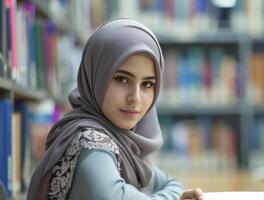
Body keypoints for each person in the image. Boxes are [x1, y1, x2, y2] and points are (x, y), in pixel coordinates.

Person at [27, 18, 204, 200]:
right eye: (122, 79)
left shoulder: (125, 144)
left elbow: (172, 183)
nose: (135, 97)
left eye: (148, 84)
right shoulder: (90, 144)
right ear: (96, 76)